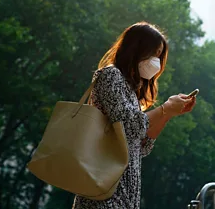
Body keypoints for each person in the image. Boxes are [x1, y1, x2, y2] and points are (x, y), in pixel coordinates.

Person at [73, 22, 196, 209]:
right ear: (136, 49)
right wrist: (165, 108)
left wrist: (168, 113)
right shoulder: (110, 76)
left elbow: (142, 146)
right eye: (154, 53)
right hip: (101, 192)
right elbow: (128, 127)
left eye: (159, 56)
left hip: (125, 194)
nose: (157, 61)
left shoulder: (132, 91)